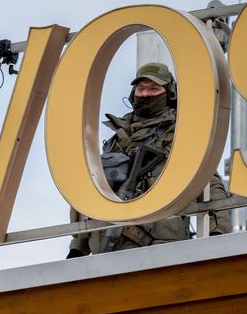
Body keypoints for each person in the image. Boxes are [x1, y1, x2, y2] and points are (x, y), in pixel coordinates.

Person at [67, 62, 229, 257]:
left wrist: (218, 231)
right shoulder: (117, 138)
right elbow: (90, 189)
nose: (145, 94)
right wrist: (78, 245)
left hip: (162, 247)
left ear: (169, 94)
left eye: (154, 89)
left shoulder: (180, 135)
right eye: (141, 88)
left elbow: (209, 183)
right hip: (109, 246)